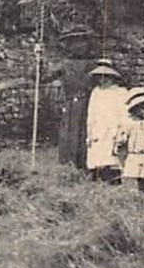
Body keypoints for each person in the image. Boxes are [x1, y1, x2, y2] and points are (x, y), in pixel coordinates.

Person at [53, 28, 96, 169]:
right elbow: (43, 76)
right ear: (69, 45)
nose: (80, 46)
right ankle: (68, 163)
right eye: (75, 42)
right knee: (69, 131)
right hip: (69, 102)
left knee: (85, 131)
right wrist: (39, 59)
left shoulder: (94, 64)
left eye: (82, 42)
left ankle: (85, 162)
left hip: (87, 102)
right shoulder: (64, 64)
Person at [84, 61, 131, 184]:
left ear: (112, 78)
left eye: (106, 78)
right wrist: (89, 132)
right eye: (100, 77)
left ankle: (112, 180)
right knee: (96, 154)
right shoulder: (96, 92)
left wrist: (123, 131)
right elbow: (91, 113)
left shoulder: (120, 92)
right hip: (98, 127)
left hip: (113, 128)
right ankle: (95, 177)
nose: (102, 81)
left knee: (111, 155)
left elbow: (125, 113)